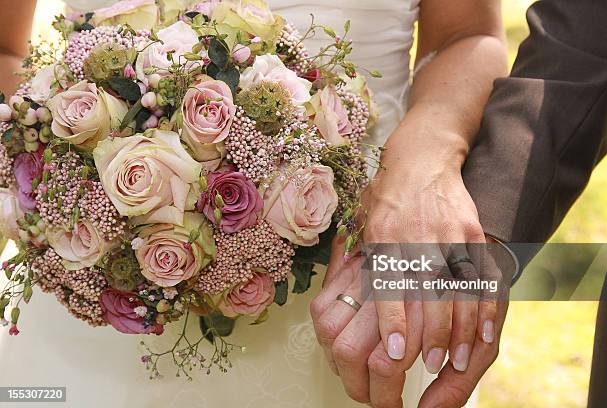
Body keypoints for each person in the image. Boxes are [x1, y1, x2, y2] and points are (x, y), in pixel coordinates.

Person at [0, 0, 506, 407]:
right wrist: (44, 163)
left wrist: (423, 167)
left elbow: (468, 35)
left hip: (362, 257)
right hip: (94, 264)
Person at [313, 0, 607, 407]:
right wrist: (472, 250)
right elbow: (588, 40)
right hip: (382, 238)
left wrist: (426, 162)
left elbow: (468, 35)